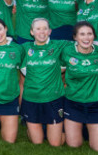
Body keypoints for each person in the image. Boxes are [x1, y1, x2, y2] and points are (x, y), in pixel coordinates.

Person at [60, 21, 98, 152]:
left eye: (89, 34)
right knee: (73, 145)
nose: (86, 38)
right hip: (73, 102)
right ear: (75, 37)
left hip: (96, 103)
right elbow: (59, 71)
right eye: (82, 34)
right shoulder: (67, 51)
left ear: (94, 36)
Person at [20, 18, 68, 146]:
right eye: (38, 29)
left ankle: (64, 128)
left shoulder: (59, 45)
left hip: (53, 98)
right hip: (31, 98)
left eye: (45, 28)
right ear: (31, 32)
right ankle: (33, 129)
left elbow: (83, 42)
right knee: (37, 142)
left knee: (55, 143)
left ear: (50, 31)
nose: (42, 32)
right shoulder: (24, 48)